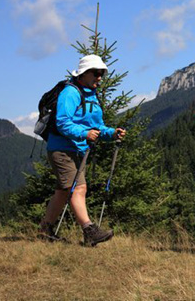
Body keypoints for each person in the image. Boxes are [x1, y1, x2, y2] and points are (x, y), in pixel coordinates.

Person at [38, 54, 126, 246]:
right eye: (96, 73)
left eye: (101, 73)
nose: (99, 77)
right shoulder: (70, 93)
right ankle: (89, 230)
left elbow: (97, 126)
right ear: (84, 73)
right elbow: (62, 122)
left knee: (63, 191)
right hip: (62, 149)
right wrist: (84, 134)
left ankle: (45, 231)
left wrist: (111, 133)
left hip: (77, 149)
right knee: (78, 188)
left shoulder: (91, 95)